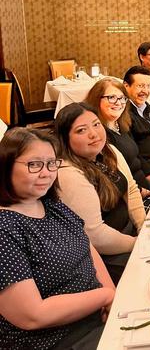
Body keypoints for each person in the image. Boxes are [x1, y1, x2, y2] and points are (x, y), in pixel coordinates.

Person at [0, 128, 115, 349]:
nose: (46, 173)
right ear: (6, 165)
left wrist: (112, 295)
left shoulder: (50, 204)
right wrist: (104, 296)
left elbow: (87, 247)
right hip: (58, 339)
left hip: (95, 315)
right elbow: (33, 315)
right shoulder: (5, 228)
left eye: (51, 164)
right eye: (34, 164)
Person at [55, 103, 145, 284]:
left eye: (96, 124)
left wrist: (144, 227)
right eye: (81, 130)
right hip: (107, 257)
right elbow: (96, 236)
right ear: (65, 139)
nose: (94, 134)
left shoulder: (108, 151)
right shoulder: (68, 174)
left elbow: (132, 190)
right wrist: (137, 243)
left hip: (131, 234)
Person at [85, 78, 150, 194]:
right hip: (130, 194)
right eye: (111, 97)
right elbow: (113, 178)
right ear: (96, 99)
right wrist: (147, 193)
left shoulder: (121, 124)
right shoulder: (99, 135)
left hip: (144, 184)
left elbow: (136, 157)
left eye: (122, 98)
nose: (118, 103)